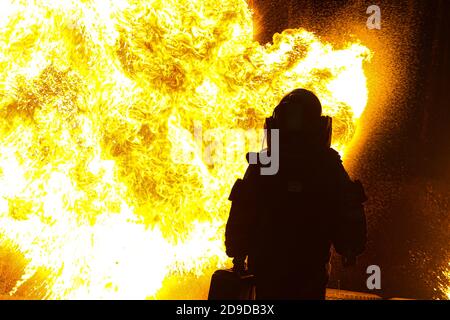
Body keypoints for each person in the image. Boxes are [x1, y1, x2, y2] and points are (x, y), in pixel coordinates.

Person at [225, 88, 367, 299]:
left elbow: (243, 209)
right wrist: (349, 248)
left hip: (274, 266)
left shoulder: (266, 162)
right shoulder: (328, 164)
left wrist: (237, 251)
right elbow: (347, 206)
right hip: (306, 266)